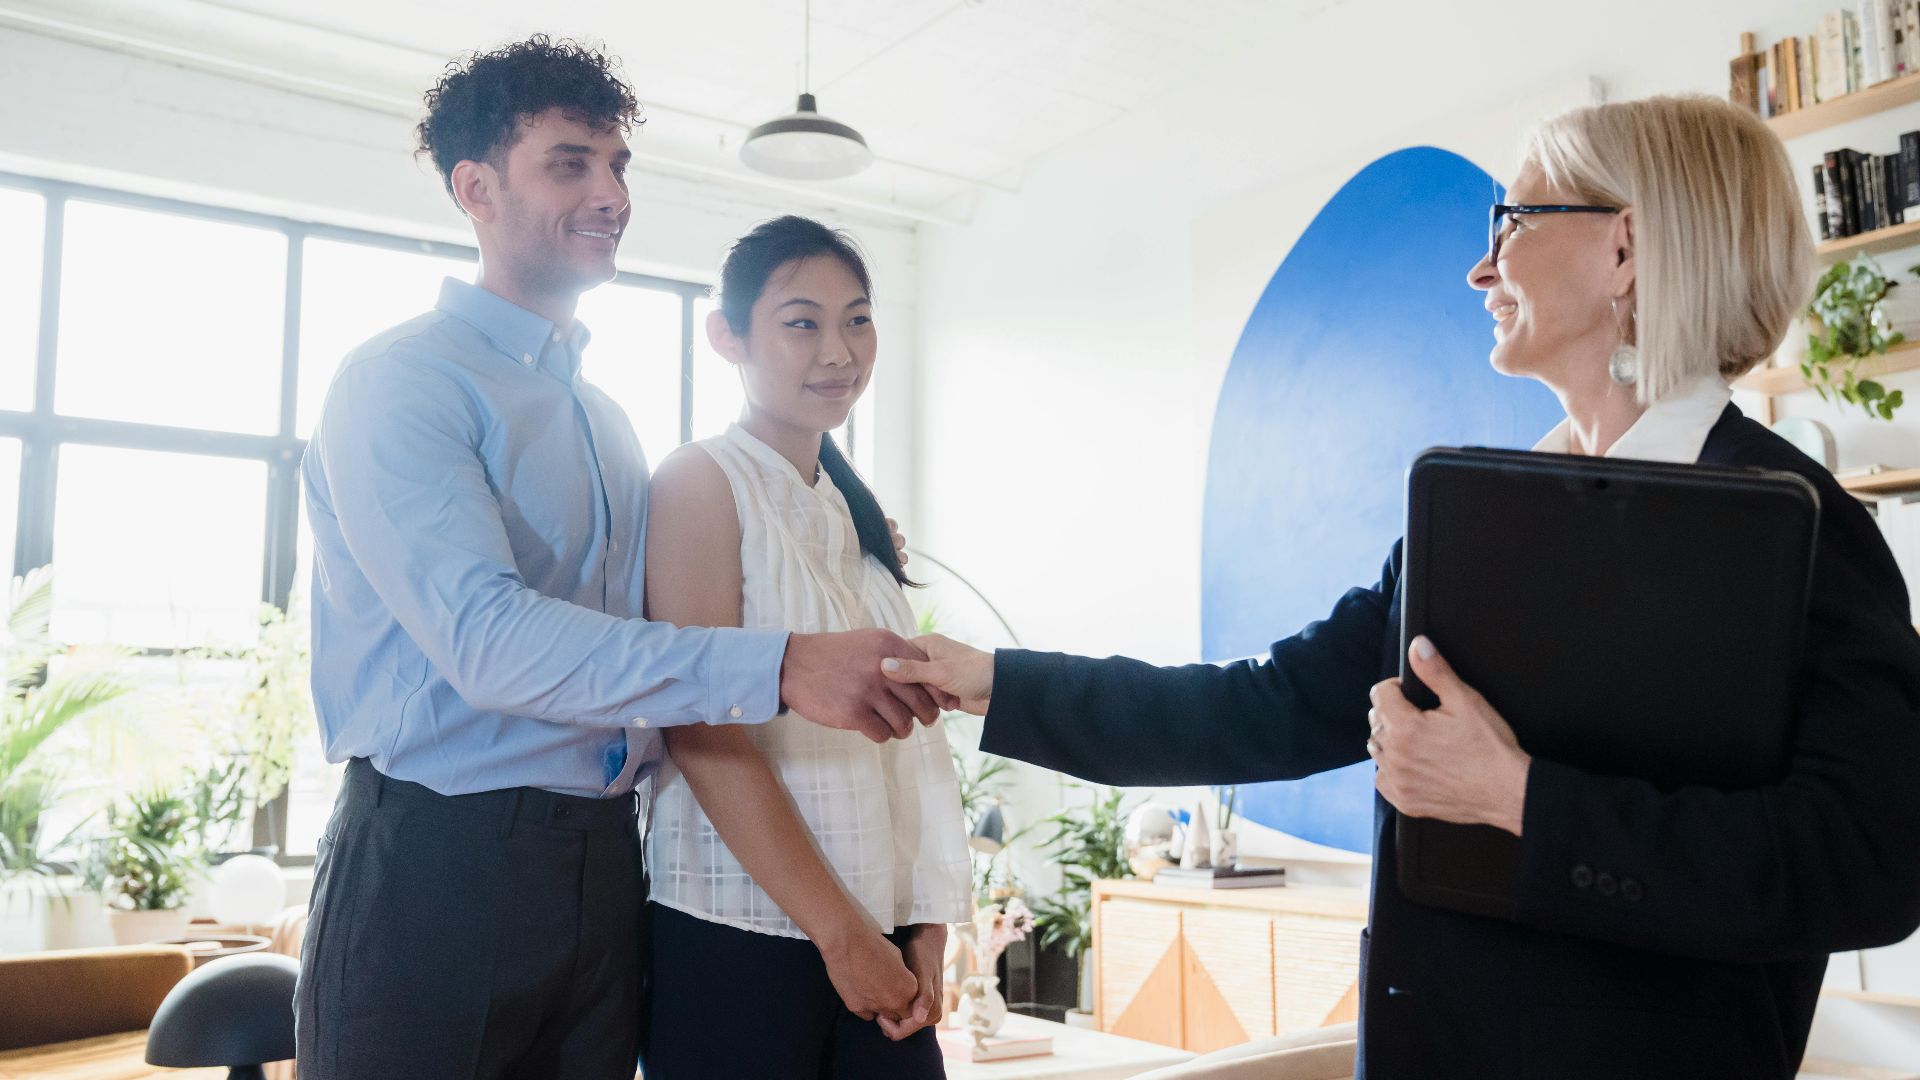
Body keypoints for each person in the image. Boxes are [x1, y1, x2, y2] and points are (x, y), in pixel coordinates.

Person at [884, 94, 1920, 1079]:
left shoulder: (1805, 532)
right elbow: (1262, 708)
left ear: (1625, 248)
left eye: (1512, 219)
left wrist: (1519, 799)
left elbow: (1868, 864)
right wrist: (989, 682)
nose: (1481, 267)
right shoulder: (1466, 521)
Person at [294, 39, 941, 1080]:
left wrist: (848, 551)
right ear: (476, 189)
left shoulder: (604, 418)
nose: (611, 193)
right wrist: (780, 664)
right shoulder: (399, 385)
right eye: (570, 163)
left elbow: (668, 601)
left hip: (606, 861)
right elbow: (491, 643)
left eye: (618, 163)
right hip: (438, 860)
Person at [639, 216, 971, 1078]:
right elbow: (700, 727)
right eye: (801, 321)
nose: (838, 350)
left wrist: (924, 921)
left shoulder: (854, 514)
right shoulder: (699, 481)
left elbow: (909, 742)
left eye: (857, 319)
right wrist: (843, 933)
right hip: (740, 936)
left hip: (876, 930)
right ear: (728, 337)